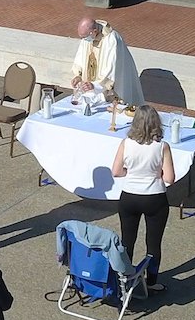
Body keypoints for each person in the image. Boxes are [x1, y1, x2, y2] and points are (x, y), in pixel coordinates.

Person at [111, 105, 175, 293]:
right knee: (153, 243)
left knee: (127, 241)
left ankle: (124, 278)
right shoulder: (162, 147)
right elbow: (169, 178)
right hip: (155, 198)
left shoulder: (126, 143)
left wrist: (130, 172)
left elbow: (116, 171)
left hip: (129, 196)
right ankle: (152, 281)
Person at [71, 17, 145, 106]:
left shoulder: (111, 40)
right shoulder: (87, 36)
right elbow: (80, 56)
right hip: (91, 88)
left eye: (85, 37)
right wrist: (78, 76)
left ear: (94, 31)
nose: (83, 40)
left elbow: (111, 68)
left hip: (111, 91)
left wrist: (95, 86)